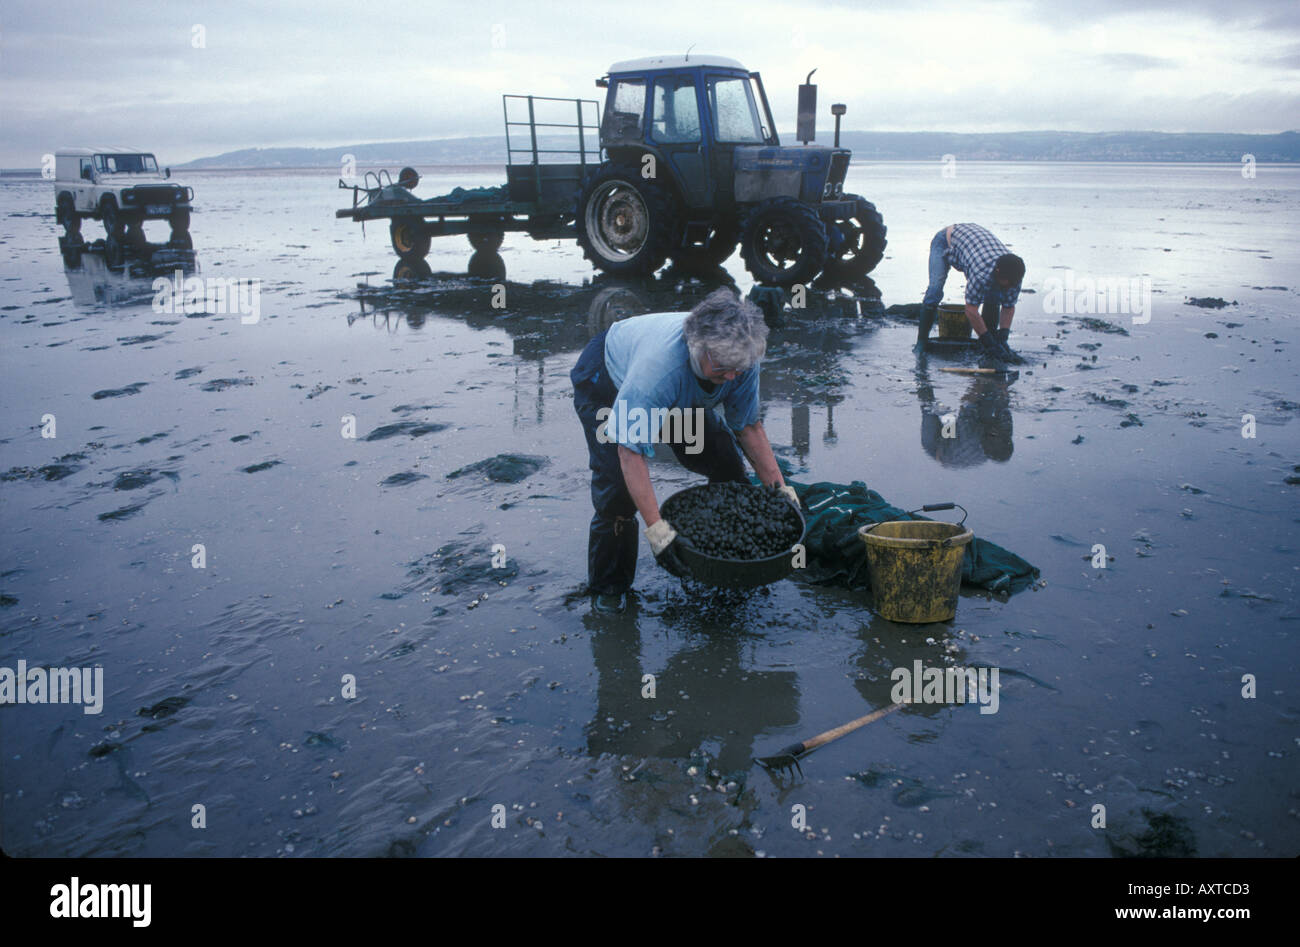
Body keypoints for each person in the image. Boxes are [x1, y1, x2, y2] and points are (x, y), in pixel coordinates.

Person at [570, 288, 797, 613]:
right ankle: (609, 592)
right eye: (723, 368)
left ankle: (725, 558)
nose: (731, 376)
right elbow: (630, 453)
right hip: (606, 380)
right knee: (618, 495)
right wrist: (658, 530)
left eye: (738, 369)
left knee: (725, 460)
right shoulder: (658, 371)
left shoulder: (739, 358)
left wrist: (780, 488)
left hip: (678, 392)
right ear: (697, 348)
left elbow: (748, 428)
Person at [916, 223, 1026, 365]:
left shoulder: (1013, 275)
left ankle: (990, 346)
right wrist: (988, 341)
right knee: (935, 290)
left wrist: (1003, 337)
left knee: (994, 296)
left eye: (1013, 283)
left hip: (975, 245)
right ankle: (921, 342)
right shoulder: (981, 274)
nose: (1010, 287)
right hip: (946, 241)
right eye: (1007, 283)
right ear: (997, 272)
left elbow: (1008, 307)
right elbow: (971, 310)